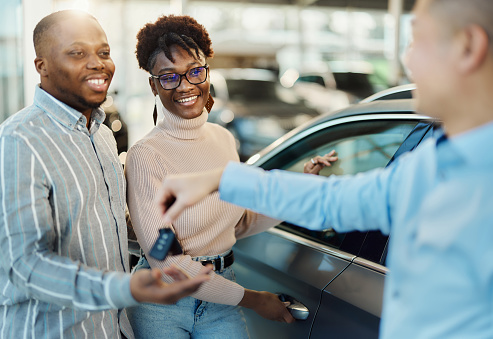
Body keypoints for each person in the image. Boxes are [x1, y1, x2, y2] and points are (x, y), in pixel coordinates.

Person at [154, 0, 493, 338]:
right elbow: (339, 201)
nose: (407, 59)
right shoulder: (438, 160)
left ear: (468, 47)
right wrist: (221, 178)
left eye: (418, 40)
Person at [0, 10, 212, 339]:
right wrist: (129, 287)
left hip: (109, 329)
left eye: (103, 53)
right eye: (77, 53)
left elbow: (107, 221)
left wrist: (168, 226)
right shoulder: (14, 143)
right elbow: (26, 266)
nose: (97, 63)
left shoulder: (101, 135)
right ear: (41, 66)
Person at [124, 15, 335, 339]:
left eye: (195, 71)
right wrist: (253, 300)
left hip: (221, 296)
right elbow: (168, 262)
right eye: (169, 77)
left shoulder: (223, 139)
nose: (186, 86)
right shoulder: (146, 156)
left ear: (207, 70)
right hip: (163, 304)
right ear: (153, 84)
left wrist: (298, 186)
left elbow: (240, 221)